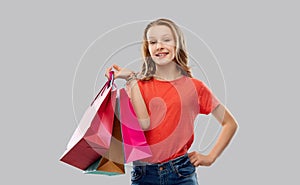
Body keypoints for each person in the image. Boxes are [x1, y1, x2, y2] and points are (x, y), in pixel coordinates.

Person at [105, 18, 238, 185]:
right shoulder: (137, 86)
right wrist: (131, 79)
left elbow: (229, 123)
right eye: (153, 42)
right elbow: (145, 124)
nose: (159, 45)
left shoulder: (195, 87)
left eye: (166, 40)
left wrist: (210, 157)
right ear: (148, 49)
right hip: (144, 174)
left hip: (181, 173)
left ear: (178, 45)